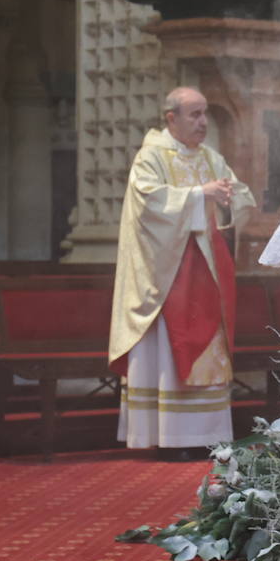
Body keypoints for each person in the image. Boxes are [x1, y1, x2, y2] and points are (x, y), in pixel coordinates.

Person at [109, 86, 255, 458]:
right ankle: (171, 438)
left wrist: (227, 198)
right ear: (171, 118)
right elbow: (149, 207)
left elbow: (237, 197)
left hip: (207, 275)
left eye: (205, 113)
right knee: (169, 351)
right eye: (195, 114)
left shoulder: (210, 157)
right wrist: (197, 196)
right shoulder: (151, 157)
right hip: (169, 276)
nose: (204, 122)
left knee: (209, 350)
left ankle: (208, 436)